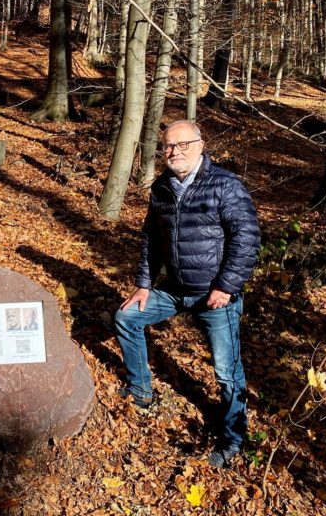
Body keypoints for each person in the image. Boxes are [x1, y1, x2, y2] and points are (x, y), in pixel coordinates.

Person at [114, 120, 260, 468]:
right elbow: (151, 239)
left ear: (200, 144)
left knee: (226, 371)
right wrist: (143, 285)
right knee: (126, 318)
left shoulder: (225, 185)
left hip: (215, 295)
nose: (174, 152)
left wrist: (226, 285)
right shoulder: (162, 187)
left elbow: (247, 238)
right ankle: (141, 390)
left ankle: (233, 438)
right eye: (167, 146)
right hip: (175, 289)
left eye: (182, 145)